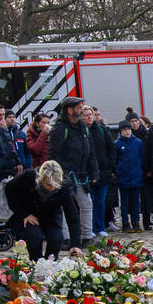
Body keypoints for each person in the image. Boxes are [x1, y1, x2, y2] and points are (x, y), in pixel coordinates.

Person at [48, 96, 98, 248]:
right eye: (78, 107)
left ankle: (87, 236)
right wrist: (58, 175)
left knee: (86, 204)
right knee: (65, 207)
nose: (81, 109)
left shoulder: (83, 127)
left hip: (81, 173)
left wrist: (94, 172)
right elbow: (54, 153)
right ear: (69, 110)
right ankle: (65, 237)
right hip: (65, 175)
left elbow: (90, 151)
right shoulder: (60, 128)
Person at [5, 161, 71, 260]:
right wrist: (24, 214)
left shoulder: (63, 186)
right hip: (31, 214)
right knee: (34, 237)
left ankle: (49, 264)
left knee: (56, 238)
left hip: (51, 216)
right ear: (42, 179)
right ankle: (35, 262)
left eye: (55, 185)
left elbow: (72, 214)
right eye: (49, 185)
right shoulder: (28, 177)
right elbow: (9, 189)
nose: (52, 188)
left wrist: (75, 244)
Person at [83, 106, 117, 236]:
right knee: (89, 202)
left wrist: (110, 165)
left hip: (103, 171)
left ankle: (100, 227)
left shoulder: (101, 129)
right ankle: (89, 228)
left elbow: (111, 148)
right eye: (86, 115)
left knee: (100, 201)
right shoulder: (81, 130)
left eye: (90, 114)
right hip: (87, 172)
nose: (89, 117)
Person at [113, 120, 145, 233]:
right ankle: (125, 223)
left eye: (128, 129)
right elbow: (115, 161)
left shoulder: (138, 143)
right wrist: (117, 172)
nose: (127, 132)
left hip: (136, 176)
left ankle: (136, 222)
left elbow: (142, 158)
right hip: (123, 178)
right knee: (124, 203)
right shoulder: (117, 144)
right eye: (124, 130)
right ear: (121, 131)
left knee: (136, 202)